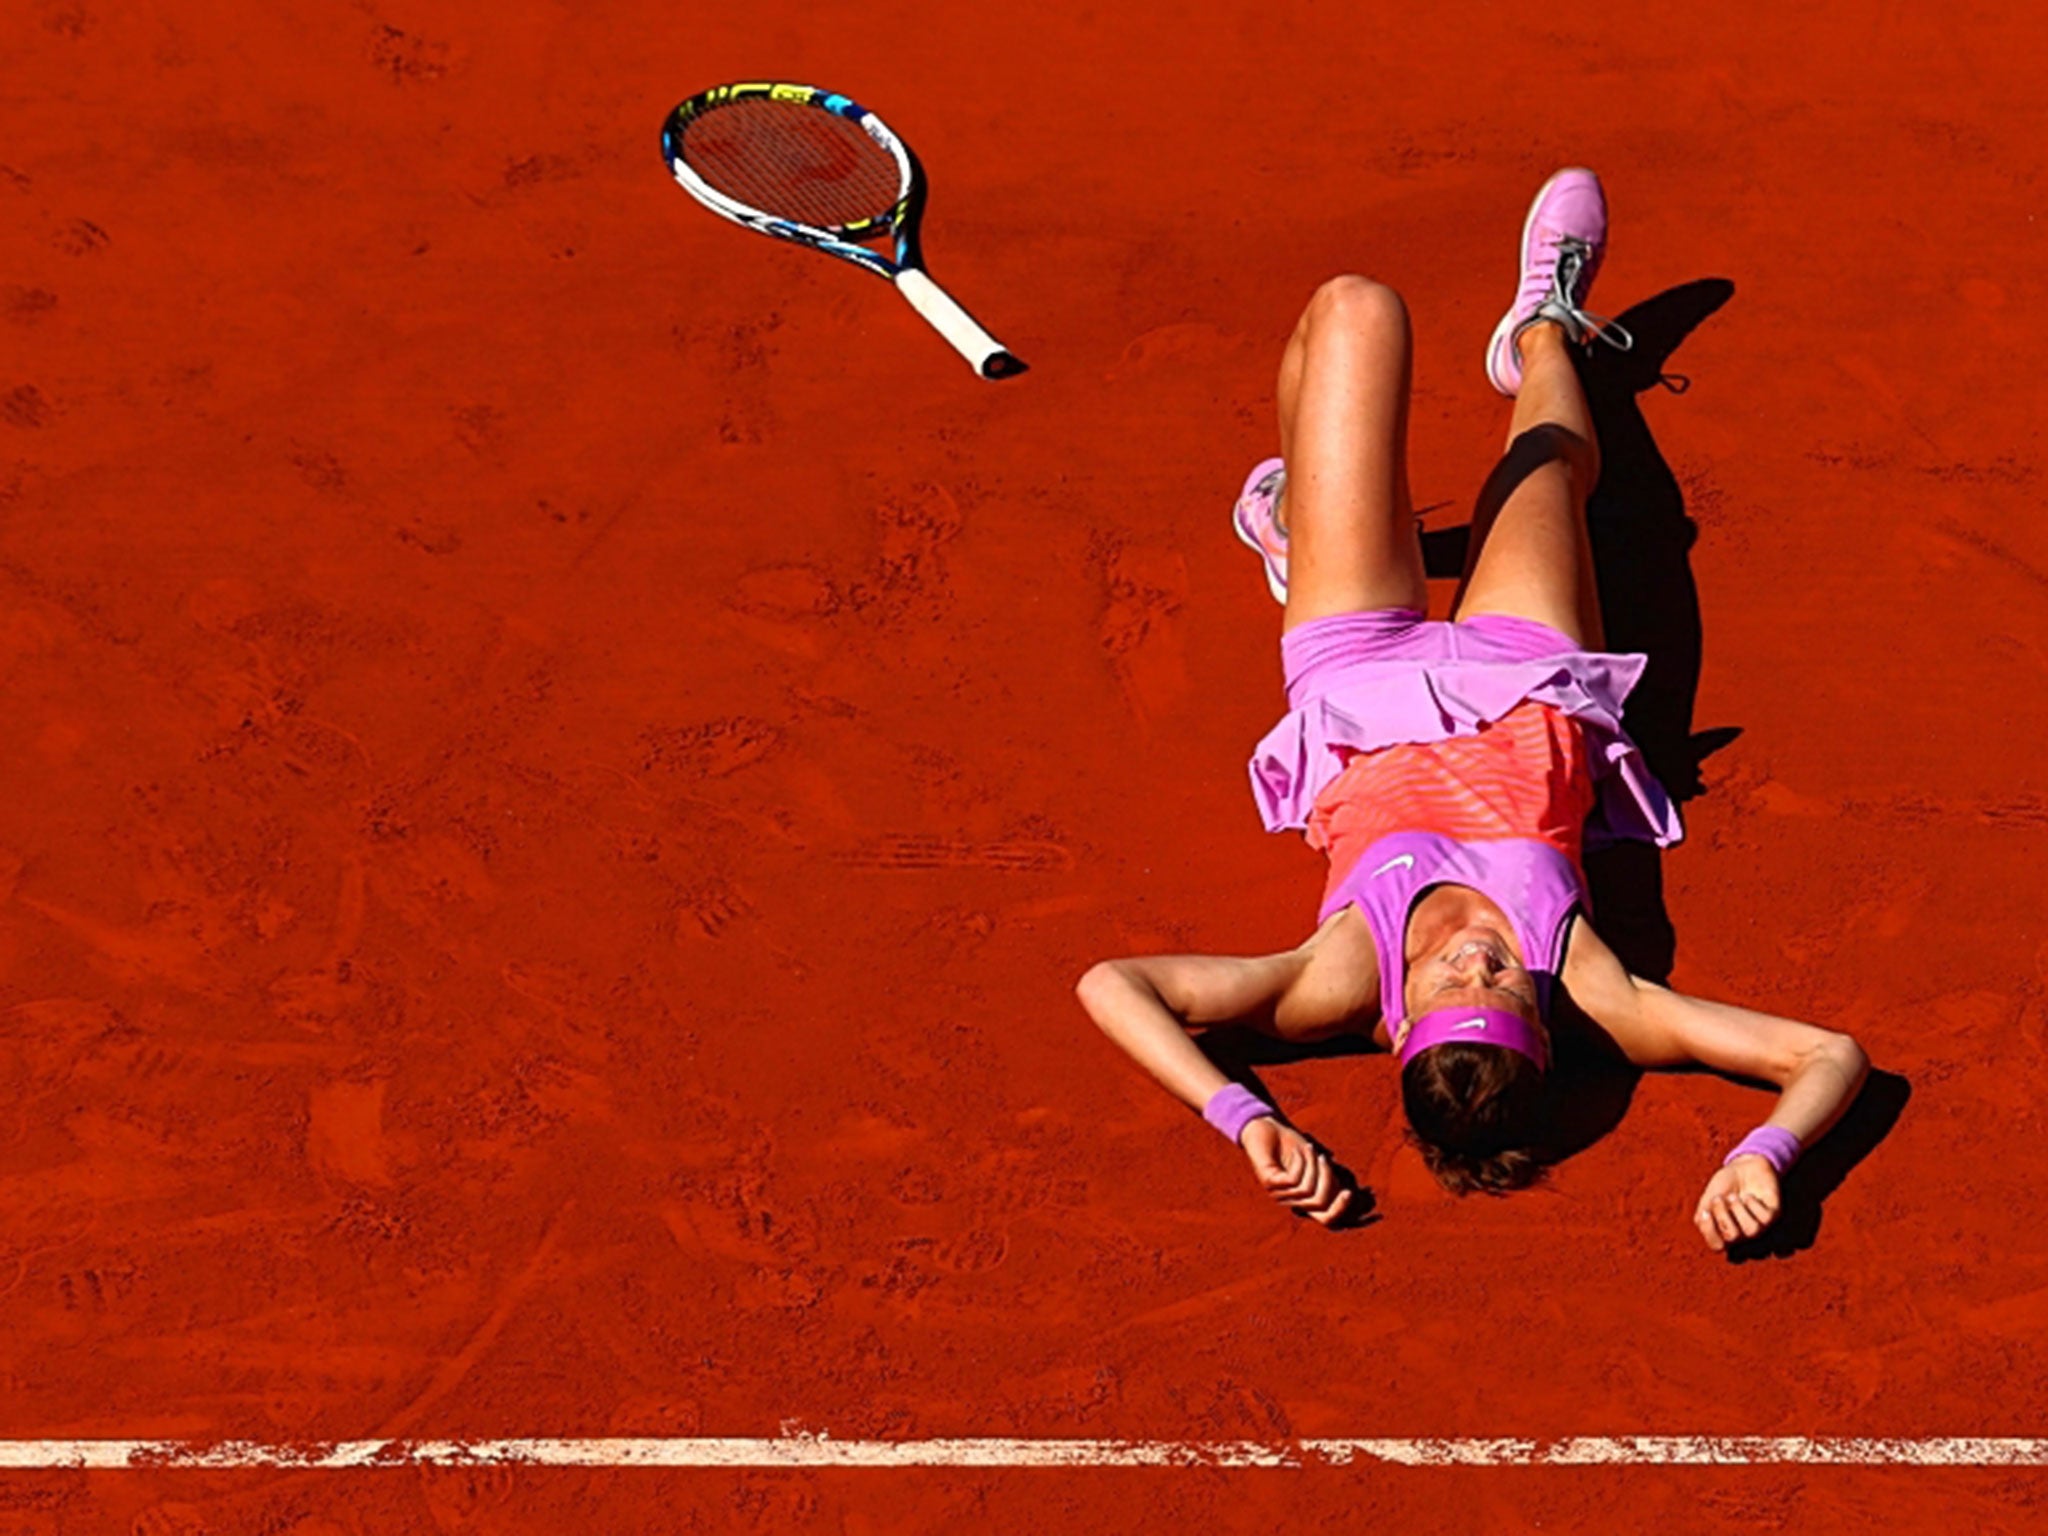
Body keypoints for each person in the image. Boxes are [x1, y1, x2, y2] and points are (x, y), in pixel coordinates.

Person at [1075, 170, 1868, 1251]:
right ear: (1539, 1025)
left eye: (1457, 976)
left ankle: (1299, 535)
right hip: (1525, 670)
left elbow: (1110, 984)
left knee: (1355, 307)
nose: (1485, 958)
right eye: (1503, 981)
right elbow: (1824, 1054)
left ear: (1400, 1020)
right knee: (1548, 460)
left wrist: (1243, 1116)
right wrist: (1760, 1152)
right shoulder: (1589, 991)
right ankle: (1539, 327)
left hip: (1355, 671)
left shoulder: (1333, 985)